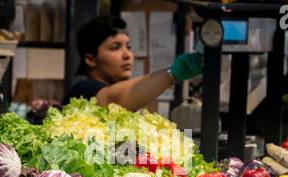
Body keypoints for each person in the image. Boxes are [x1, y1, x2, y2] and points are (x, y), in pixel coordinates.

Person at [63, 15, 203, 111]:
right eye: (115, 47)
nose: (127, 55)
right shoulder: (82, 91)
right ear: (90, 59)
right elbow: (114, 100)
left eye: (128, 47)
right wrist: (173, 74)